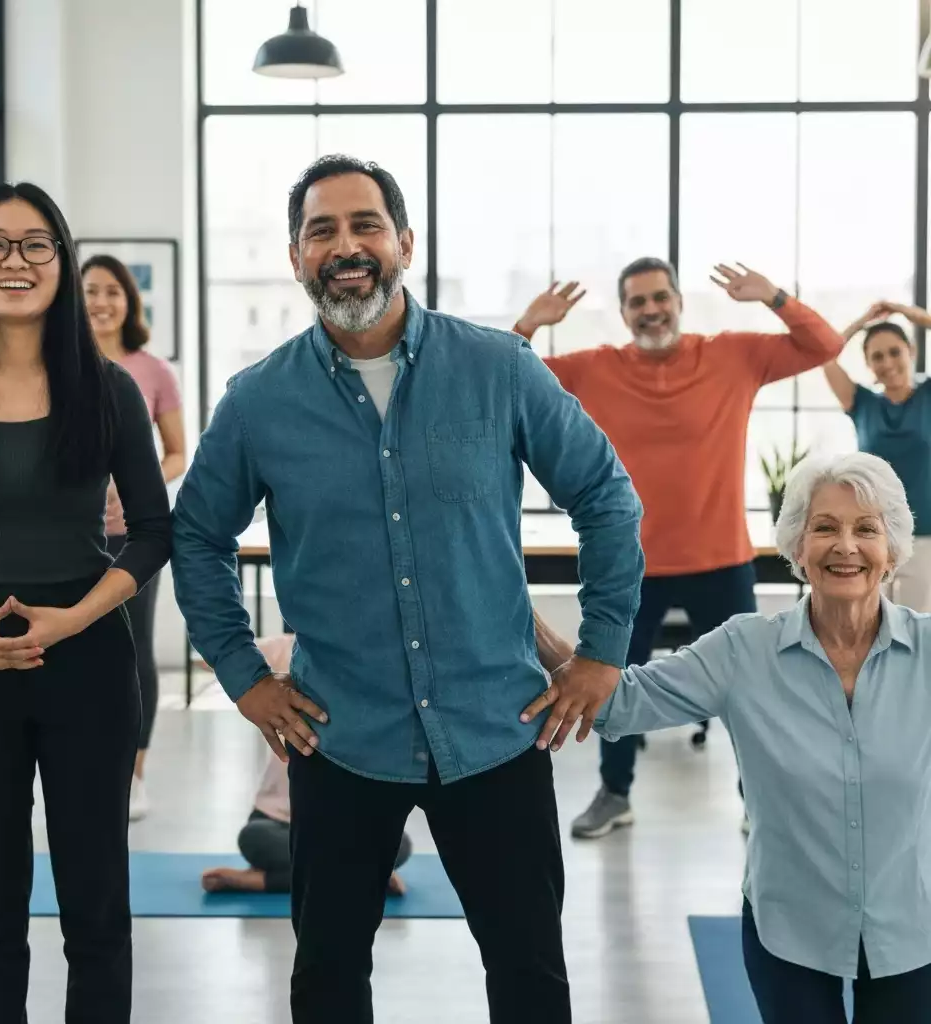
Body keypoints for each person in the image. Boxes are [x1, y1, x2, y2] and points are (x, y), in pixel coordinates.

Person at [171, 154, 644, 1024]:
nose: (345, 246)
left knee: (530, 974)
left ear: (405, 243)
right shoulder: (258, 401)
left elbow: (607, 496)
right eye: (322, 231)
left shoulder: (499, 369)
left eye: (364, 225)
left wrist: (602, 652)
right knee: (327, 980)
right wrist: (244, 674)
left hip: (496, 731)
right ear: (295, 256)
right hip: (340, 738)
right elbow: (196, 535)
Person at [524, 451, 931, 1023]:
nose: (846, 546)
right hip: (788, 933)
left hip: (912, 934)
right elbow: (622, 701)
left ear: (891, 553)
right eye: (824, 527)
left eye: (867, 529)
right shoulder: (745, 650)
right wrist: (524, 616)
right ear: (796, 548)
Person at [0, 182, 172, 1023]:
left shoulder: (108, 390)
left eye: (35, 244)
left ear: (60, 261)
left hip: (88, 658)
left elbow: (153, 532)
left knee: (96, 911)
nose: (14, 261)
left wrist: (73, 619)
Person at [514, 261, 844, 838]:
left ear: (678, 301)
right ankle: (614, 794)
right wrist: (528, 323)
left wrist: (773, 296)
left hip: (721, 561)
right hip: (628, 570)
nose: (650, 309)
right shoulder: (597, 369)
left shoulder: (733, 356)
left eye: (660, 297)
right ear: (623, 313)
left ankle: (758, 801)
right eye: (637, 301)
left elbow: (825, 344)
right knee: (608, 685)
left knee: (755, 692)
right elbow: (503, 378)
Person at [82, 253, 186, 819]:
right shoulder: (59, 366)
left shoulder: (153, 371)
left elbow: (176, 454)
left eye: (112, 292)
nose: (101, 302)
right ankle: (84, 767)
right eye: (91, 291)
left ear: (129, 302)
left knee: (130, 648)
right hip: (67, 539)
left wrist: (135, 484)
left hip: (129, 539)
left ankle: (134, 773)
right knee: (75, 651)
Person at [201, 634, 414, 897]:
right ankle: (366, 874)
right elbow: (214, 658)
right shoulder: (283, 648)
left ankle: (262, 881)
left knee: (400, 846)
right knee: (254, 839)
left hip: (347, 821)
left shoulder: (365, 659)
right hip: (277, 819)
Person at [823, 301, 931, 612]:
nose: (887, 362)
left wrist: (907, 312)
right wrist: (863, 320)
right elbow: (824, 355)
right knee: (869, 629)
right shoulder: (862, 403)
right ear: (869, 364)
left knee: (918, 634)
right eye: (877, 356)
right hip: (871, 534)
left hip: (925, 538)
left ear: (911, 351)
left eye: (895, 351)